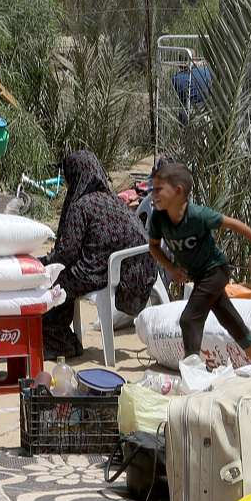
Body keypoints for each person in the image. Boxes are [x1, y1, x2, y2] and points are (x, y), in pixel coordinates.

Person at [147, 160, 251, 366]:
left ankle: (193, 367)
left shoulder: (197, 215)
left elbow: (234, 224)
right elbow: (154, 246)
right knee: (228, 318)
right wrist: (171, 267)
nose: (153, 194)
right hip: (200, 277)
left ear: (178, 191)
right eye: (153, 189)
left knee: (189, 319)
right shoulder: (159, 220)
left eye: (159, 189)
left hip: (215, 271)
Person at [41, 151, 158, 360]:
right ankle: (65, 340)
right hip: (132, 271)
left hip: (103, 272)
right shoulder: (112, 199)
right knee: (64, 278)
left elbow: (66, 254)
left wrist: (41, 263)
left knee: (52, 285)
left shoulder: (81, 206)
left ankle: (61, 343)